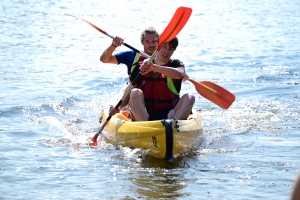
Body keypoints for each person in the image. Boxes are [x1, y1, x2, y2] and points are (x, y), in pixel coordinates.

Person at [128, 37, 195, 121]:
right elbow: (128, 89)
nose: (166, 52)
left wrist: (154, 67)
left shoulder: (176, 64)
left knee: (190, 97)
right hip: (144, 114)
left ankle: (175, 128)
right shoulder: (142, 65)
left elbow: (179, 74)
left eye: (170, 49)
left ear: (173, 51)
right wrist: (117, 107)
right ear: (157, 46)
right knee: (134, 92)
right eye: (164, 47)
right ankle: (144, 127)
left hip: (169, 115)